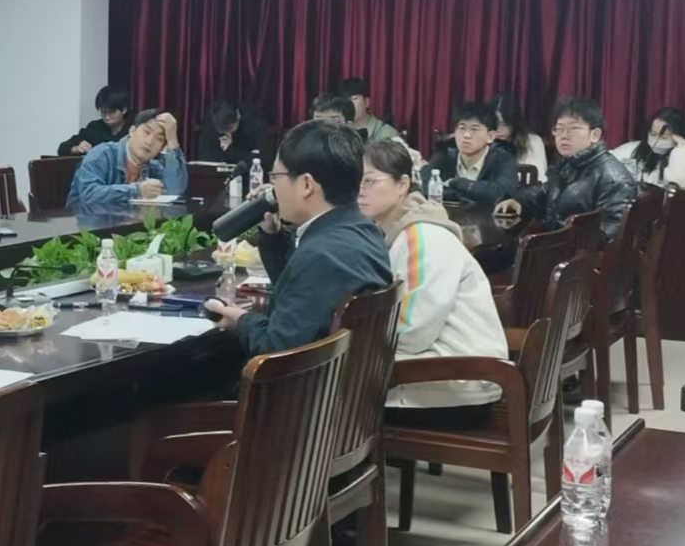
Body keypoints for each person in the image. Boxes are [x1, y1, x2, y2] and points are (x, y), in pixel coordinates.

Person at [205, 121, 392, 355]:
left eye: (276, 176)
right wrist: (272, 238)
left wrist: (241, 320)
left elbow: (277, 351)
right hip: (346, 373)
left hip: (305, 377)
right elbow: (302, 294)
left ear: (306, 184)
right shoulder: (364, 230)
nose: (272, 189)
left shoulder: (320, 255)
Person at [359, 139, 508, 428]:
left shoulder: (421, 236)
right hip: (449, 375)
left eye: (369, 181)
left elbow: (412, 331)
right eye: (355, 181)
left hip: (455, 389)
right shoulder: (402, 233)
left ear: (402, 185)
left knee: (327, 397)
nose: (359, 191)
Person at [498, 98, 640, 242]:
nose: (564, 135)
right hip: (556, 243)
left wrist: (557, 239)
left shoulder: (613, 178)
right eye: (559, 129)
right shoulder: (570, 163)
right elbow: (544, 192)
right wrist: (519, 202)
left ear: (595, 135)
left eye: (573, 129)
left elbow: (610, 234)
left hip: (575, 252)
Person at [68, 109, 188, 214]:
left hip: (128, 226)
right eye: (146, 132)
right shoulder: (102, 154)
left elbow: (175, 191)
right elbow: (88, 195)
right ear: (132, 131)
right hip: (84, 227)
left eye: (159, 139)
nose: (150, 141)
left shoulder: (153, 166)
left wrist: (172, 140)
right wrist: (137, 191)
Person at [427, 100, 520, 208]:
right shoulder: (445, 154)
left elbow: (502, 193)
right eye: (462, 128)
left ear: (490, 136)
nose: (466, 135)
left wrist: (458, 183)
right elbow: (426, 185)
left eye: (474, 129)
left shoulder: (504, 159)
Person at [611, 106, 685, 191]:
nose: (657, 141)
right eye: (653, 134)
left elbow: (680, 186)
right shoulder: (630, 150)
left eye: (664, 137)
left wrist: (681, 148)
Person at [58, 85, 132, 156]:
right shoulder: (95, 127)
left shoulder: (135, 126)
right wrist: (77, 149)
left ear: (124, 110)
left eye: (111, 112)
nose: (107, 116)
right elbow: (62, 149)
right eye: (103, 112)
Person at [195, 98, 272, 166]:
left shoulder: (256, 125)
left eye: (229, 129)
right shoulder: (214, 123)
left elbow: (263, 159)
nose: (226, 133)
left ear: (238, 118)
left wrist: (230, 150)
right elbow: (206, 156)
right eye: (222, 130)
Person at [489, 93, 547, 181]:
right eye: (495, 124)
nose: (499, 129)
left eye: (504, 124)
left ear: (514, 122)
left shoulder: (533, 141)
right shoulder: (485, 141)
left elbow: (540, 177)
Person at [333, 78, 404, 148]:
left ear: (366, 102)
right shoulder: (335, 131)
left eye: (354, 99)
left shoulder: (387, 133)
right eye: (344, 100)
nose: (348, 104)